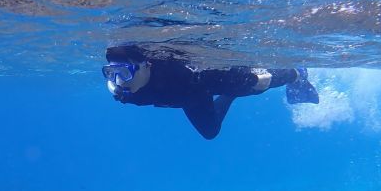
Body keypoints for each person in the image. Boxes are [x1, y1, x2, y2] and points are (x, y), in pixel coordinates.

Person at [102, 44, 319, 139]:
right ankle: (232, 94)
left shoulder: (183, 70)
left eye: (125, 72)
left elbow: (243, 78)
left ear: (147, 64)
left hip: (204, 83)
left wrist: (252, 79)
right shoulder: (124, 91)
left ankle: (297, 73)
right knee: (210, 132)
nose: (118, 81)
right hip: (186, 97)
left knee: (257, 84)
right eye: (111, 73)